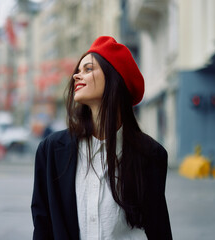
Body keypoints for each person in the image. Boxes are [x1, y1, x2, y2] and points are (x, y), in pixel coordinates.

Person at [31, 36, 172, 240]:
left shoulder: (150, 154)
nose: (76, 77)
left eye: (88, 69)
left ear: (114, 77)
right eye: (78, 71)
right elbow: (42, 225)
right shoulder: (52, 150)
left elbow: (157, 228)